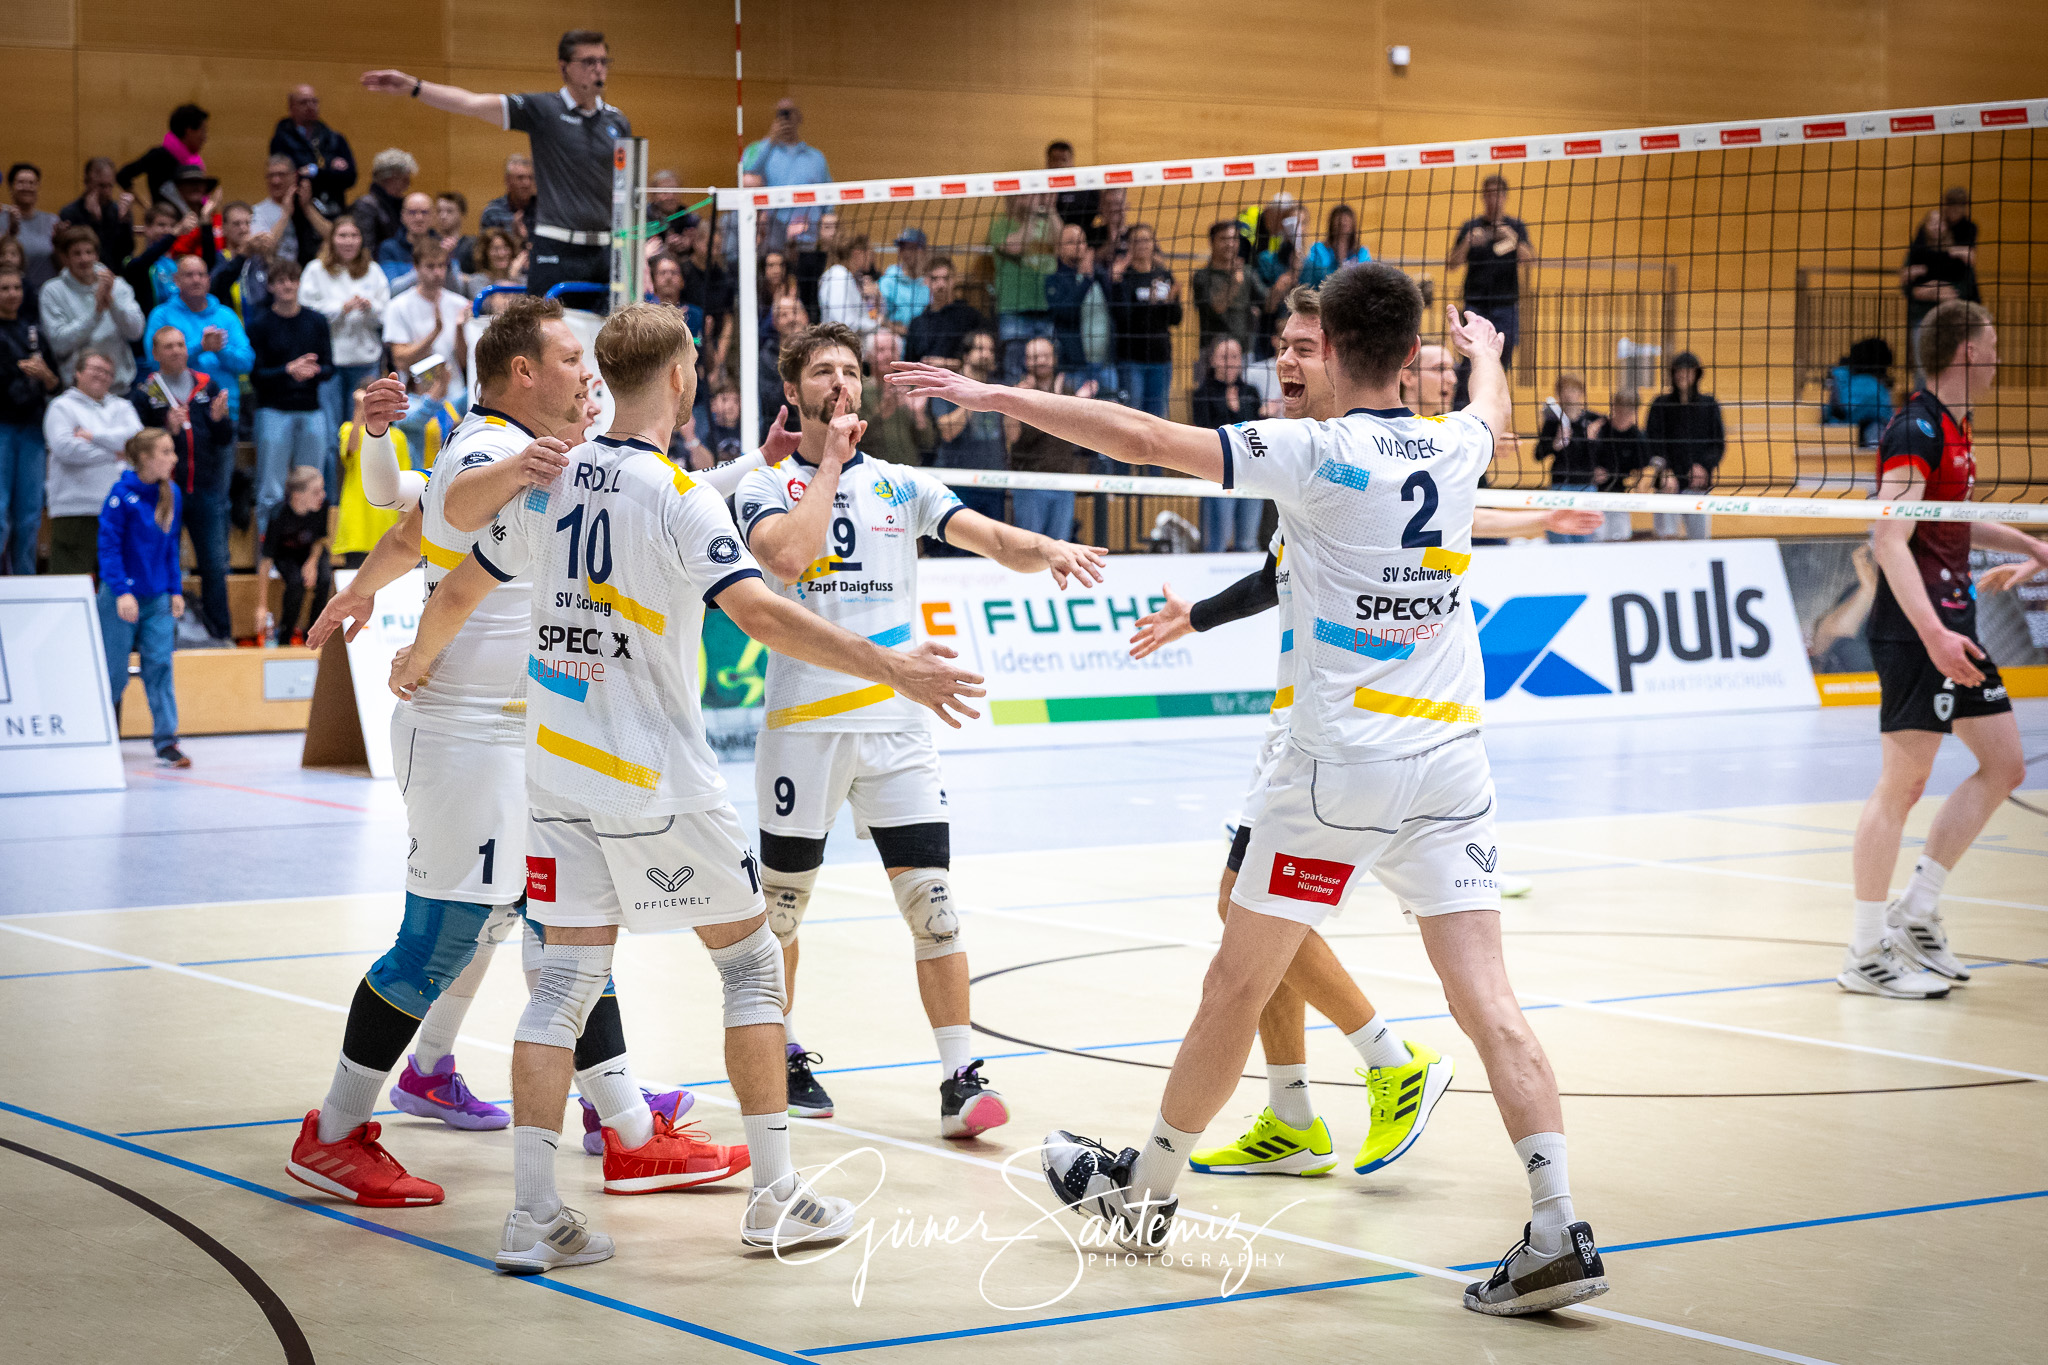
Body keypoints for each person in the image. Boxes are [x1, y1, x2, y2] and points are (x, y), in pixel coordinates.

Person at [891, 262, 1611, 1315]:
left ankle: (1145, 1192)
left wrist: (996, 394)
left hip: (1337, 770)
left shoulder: (1313, 450)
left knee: (1235, 981)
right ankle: (1556, 1225)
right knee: (1488, 1001)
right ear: (1411, 354)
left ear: (1339, 349)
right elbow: (1491, 412)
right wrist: (1489, 356)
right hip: (1452, 763)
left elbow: (1140, 438)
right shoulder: (1458, 443)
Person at [390, 303, 981, 1266]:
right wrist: (893, 666)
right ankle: (775, 1197)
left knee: (561, 986)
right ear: (679, 377)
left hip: (556, 773)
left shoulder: (549, 479)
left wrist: (418, 657)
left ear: (604, 379)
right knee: (752, 965)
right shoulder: (677, 496)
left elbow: (458, 584)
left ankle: (534, 1215)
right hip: (658, 778)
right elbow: (763, 615)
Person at [288, 307, 693, 1211]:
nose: (587, 373)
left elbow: (412, 533)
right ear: (522, 373)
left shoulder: (519, 445)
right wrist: (523, 469)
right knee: (436, 941)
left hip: (520, 738)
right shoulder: (492, 448)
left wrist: (360, 590)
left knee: (563, 925)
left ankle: (623, 1123)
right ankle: (334, 1134)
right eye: (569, 358)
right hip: (468, 739)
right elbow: (453, 506)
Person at [735, 319, 1100, 1134]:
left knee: (934, 906)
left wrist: (1047, 546)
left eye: (850, 369)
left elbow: (992, 539)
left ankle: (959, 1078)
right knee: (782, 911)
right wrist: (829, 463)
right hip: (804, 726)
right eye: (823, 371)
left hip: (897, 725)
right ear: (793, 391)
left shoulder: (902, 484)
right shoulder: (762, 485)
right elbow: (786, 559)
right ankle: (782, 1052)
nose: (841, 381)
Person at [1845, 299, 2048, 1000]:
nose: (1998, 358)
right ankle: (1864, 950)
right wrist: (1932, 633)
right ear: (1966, 351)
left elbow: (1951, 520)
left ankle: (1916, 911)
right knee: (1902, 784)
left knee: (2006, 764)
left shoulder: (1956, 430)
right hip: (1918, 631)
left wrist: (2029, 545)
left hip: (1954, 626)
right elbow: (1889, 538)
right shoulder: (1916, 428)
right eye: (1991, 345)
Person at [362, 30, 632, 301]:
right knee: (547, 326)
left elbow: (628, 192)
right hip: (556, 248)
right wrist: (415, 87)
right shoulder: (544, 109)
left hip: (605, 250)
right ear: (564, 68)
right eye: (588, 62)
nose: (598, 69)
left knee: (613, 327)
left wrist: (634, 253)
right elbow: (471, 103)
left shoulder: (617, 122)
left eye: (603, 61)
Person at [130, 327, 234, 640]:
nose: (176, 351)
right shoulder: (146, 392)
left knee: (214, 564)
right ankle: (163, 634)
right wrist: (167, 429)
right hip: (163, 493)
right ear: (155, 353)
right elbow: (138, 447)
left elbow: (224, 440)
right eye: (168, 346)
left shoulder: (207, 384)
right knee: (164, 561)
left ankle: (221, 634)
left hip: (205, 488)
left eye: (180, 345)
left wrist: (220, 421)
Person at [98, 428, 187, 765]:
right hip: (120, 597)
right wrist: (122, 591)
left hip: (157, 596)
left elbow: (171, 545)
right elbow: (108, 548)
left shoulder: (171, 493)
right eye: (166, 452)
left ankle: (167, 740)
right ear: (146, 458)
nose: (173, 458)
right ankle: (102, 735)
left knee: (160, 665)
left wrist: (175, 589)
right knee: (114, 671)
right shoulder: (120, 495)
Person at [249, 260, 337, 523]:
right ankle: (268, 548)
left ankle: (310, 546)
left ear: (299, 283)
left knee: (312, 484)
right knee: (271, 487)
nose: (287, 286)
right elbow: (255, 376)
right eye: (280, 281)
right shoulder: (260, 324)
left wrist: (313, 371)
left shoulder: (316, 321)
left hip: (311, 409)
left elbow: (329, 367)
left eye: (292, 280)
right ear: (271, 286)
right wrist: (288, 370)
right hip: (273, 410)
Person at [42, 351, 142, 575]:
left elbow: (136, 442)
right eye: (96, 369)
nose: (102, 376)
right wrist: (115, 452)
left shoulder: (123, 407)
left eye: (108, 372)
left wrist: (93, 436)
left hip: (118, 507)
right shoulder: (61, 407)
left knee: (117, 582)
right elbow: (66, 449)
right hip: (74, 510)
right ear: (77, 372)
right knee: (69, 582)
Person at [1445, 174, 1533, 398]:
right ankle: (1463, 407)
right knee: (1469, 360)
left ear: (1505, 197)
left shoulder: (1516, 226)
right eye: (1489, 194)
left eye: (1498, 194)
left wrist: (1513, 239)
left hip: (1506, 305)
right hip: (1475, 305)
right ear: (1483, 197)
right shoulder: (1471, 227)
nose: (1493, 199)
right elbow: (1451, 264)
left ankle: (1493, 404)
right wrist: (1467, 242)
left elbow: (1530, 260)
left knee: (1502, 360)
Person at [302, 218, 391, 435]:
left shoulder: (373, 270)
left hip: (365, 361)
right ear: (331, 239)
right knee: (331, 431)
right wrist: (341, 308)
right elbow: (307, 312)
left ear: (361, 240)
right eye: (342, 236)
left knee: (362, 428)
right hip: (329, 363)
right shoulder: (315, 270)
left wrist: (369, 308)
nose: (348, 241)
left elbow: (386, 313)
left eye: (354, 236)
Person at [145, 255, 253, 428]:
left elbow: (246, 363)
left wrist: (221, 350)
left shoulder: (226, 315)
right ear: (176, 280)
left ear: (208, 280)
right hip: (177, 412)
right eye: (189, 275)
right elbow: (154, 362)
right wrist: (200, 347)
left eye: (201, 275)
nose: (196, 280)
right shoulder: (162, 315)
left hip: (224, 410)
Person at [0, 267, 60, 572]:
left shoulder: (33, 332)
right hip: (2, 428)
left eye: (16, 288)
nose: (12, 294)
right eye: (4, 288)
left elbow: (56, 385)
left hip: (33, 429)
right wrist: (17, 371)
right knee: (0, 513)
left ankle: (25, 580)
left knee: (29, 514)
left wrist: (45, 375)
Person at [41, 225, 145, 386]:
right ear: (65, 258)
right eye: (77, 253)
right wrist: (95, 314)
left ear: (96, 255)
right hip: (78, 388)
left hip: (119, 386)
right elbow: (59, 344)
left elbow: (136, 332)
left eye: (89, 252)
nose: (84, 259)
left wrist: (112, 303)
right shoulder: (52, 291)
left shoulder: (117, 285)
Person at [926, 328, 1007, 532]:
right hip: (958, 481)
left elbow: (1011, 438)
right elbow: (947, 431)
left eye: (990, 350)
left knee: (992, 547)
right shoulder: (947, 386)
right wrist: (973, 399)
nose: (986, 354)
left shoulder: (998, 388)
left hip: (993, 481)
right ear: (966, 355)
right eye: (980, 349)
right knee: (958, 546)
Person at [1005, 335, 1082, 539]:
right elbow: (1013, 437)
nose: (1040, 361)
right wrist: (1012, 404)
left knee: (1060, 546)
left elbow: (1078, 432)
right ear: (1026, 361)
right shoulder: (1020, 392)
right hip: (1030, 482)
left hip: (1063, 480)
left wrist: (1077, 404)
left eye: (1045, 356)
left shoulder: (1067, 390)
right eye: (1034, 357)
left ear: (1054, 359)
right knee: (1030, 545)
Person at [1190, 336, 1263, 551]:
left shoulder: (1250, 392)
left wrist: (1237, 409)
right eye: (1224, 357)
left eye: (1235, 357)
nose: (1230, 362)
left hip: (1251, 473)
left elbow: (1255, 433)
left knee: (1247, 543)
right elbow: (1209, 433)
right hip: (1217, 472)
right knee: (1216, 543)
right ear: (1212, 360)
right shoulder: (1202, 393)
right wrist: (1231, 408)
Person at [1643, 351, 1723, 540]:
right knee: (1665, 542)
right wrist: (1665, 470)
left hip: (1697, 486)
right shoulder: (1660, 404)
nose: (1682, 375)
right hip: (1667, 486)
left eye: (1688, 371)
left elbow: (1718, 444)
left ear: (1696, 373)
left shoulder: (1709, 405)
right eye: (1679, 370)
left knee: (1700, 542)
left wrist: (1703, 466)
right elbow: (1652, 443)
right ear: (1673, 373)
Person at [1900, 206, 1980, 389]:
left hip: (1950, 319)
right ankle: (1922, 404)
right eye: (1932, 223)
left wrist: (1935, 291)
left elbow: (1963, 287)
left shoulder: (1956, 254)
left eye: (1940, 223)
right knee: (1923, 368)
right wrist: (1931, 291)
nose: (1936, 227)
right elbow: (1908, 288)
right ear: (1926, 226)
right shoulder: (1916, 252)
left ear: (1946, 227)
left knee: (1952, 367)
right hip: (1922, 317)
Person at [383, 239, 468, 405]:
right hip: (416, 399)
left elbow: (465, 363)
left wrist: (459, 330)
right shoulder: (398, 306)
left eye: (441, 266)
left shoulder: (460, 304)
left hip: (454, 395)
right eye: (430, 266)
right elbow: (400, 360)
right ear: (416, 267)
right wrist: (435, 332)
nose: (437, 272)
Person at [1108, 224, 1179, 420]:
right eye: (1136, 240)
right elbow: (1122, 317)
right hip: (1132, 359)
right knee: (1133, 417)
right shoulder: (1124, 276)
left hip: (1161, 357)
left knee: (1157, 418)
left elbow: (1176, 319)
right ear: (1129, 245)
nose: (1142, 245)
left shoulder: (1164, 276)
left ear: (1153, 243)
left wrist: (1170, 301)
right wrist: (1151, 303)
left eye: (1146, 239)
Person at [255, 466, 333, 645]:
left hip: (311, 551)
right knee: (296, 583)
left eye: (322, 489)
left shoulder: (322, 506)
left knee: (325, 578)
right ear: (297, 496)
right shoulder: (278, 515)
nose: (322, 495)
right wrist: (262, 606)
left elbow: (320, 539)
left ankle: (314, 633)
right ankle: (285, 636)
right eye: (316, 492)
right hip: (286, 555)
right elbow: (266, 561)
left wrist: (312, 562)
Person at [989, 193, 1060, 381]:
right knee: (1015, 373)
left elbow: (1063, 243)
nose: (1031, 200)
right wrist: (1033, 214)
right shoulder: (1001, 225)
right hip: (1014, 310)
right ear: (1011, 199)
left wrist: (1051, 209)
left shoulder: (1046, 224)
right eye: (1024, 196)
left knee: (1047, 374)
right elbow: (1016, 246)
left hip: (1045, 308)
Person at [743, 97, 832, 248]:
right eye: (781, 114)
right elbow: (747, 176)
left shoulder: (816, 158)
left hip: (808, 238)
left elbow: (829, 199)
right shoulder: (760, 150)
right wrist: (771, 139)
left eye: (789, 113)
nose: (786, 119)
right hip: (772, 238)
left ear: (799, 117)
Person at [1045, 223, 1114, 399]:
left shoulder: (1100, 275)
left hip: (1106, 364)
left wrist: (1116, 280)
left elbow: (1118, 312)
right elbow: (1065, 313)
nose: (1078, 246)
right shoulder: (1054, 280)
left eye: (1082, 242)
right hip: (1075, 367)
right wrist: (1085, 279)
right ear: (1059, 248)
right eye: (1071, 242)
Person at [271, 84, 358, 221]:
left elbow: (350, 177)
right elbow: (290, 178)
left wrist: (315, 171)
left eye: (314, 101)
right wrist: (331, 171)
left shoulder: (334, 138)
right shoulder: (281, 140)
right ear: (291, 107)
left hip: (333, 209)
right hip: (297, 213)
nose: (310, 106)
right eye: (303, 102)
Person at [1534, 374, 1602, 544]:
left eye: (1573, 389)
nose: (1568, 394)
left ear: (1581, 392)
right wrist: (1555, 444)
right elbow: (1538, 454)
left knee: (1584, 536)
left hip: (1586, 485)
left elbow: (1605, 456)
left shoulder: (1593, 420)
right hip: (1561, 484)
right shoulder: (1553, 422)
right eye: (1564, 390)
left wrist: (1593, 441)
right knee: (1558, 534)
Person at [1192, 221, 1259, 385]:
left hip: (1244, 351)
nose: (1230, 244)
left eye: (1234, 239)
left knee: (1242, 397)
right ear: (1212, 242)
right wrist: (1234, 283)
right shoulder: (1202, 276)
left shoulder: (1248, 273)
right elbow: (1217, 308)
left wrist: (1289, 276)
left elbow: (1269, 304)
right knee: (1210, 398)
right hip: (1211, 352)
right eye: (1224, 239)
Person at [858, 330, 930, 467]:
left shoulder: (911, 389)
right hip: (869, 469)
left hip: (908, 469)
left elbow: (929, 443)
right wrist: (883, 412)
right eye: (881, 350)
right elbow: (857, 439)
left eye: (892, 350)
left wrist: (919, 415)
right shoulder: (859, 390)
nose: (888, 355)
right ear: (868, 355)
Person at [117, 104, 211, 208]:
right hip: (164, 217)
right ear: (189, 131)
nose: (205, 137)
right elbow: (123, 176)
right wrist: (146, 207)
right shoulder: (159, 156)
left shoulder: (194, 162)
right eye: (203, 131)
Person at [904, 257, 985, 368]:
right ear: (926, 281)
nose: (941, 284)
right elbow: (909, 362)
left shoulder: (971, 317)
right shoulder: (917, 323)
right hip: (924, 376)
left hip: (960, 376)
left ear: (954, 280)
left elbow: (982, 359)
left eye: (946, 278)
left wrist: (946, 364)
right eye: (934, 279)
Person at [58, 158, 136, 272]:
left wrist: (125, 222)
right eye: (101, 186)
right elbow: (78, 253)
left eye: (110, 186)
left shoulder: (117, 211)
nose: (107, 192)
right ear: (87, 183)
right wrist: (94, 221)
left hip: (114, 275)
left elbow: (125, 253)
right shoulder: (70, 212)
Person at [1593, 390, 1645, 541]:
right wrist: (1592, 471)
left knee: (1621, 537)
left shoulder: (1638, 437)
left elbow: (1641, 470)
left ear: (1635, 411)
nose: (1623, 414)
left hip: (1619, 495)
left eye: (1628, 410)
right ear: (1614, 407)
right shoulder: (1599, 429)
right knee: (1596, 537)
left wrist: (1638, 481)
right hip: (1594, 493)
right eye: (1620, 408)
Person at [4, 164, 63, 295]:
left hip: (46, 292)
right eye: (21, 182)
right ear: (11, 187)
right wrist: (11, 232)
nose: (27, 187)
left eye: (32, 183)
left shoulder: (52, 221)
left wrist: (60, 243)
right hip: (12, 293)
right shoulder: (2, 219)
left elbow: (62, 263)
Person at [351, 149, 417, 258]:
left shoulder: (399, 204)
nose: (408, 185)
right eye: (405, 180)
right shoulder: (366, 205)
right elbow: (366, 248)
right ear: (390, 178)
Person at [816, 234, 880, 335]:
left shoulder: (852, 277)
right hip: (839, 341)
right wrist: (876, 324)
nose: (872, 259)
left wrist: (877, 298)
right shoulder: (838, 275)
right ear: (857, 253)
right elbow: (844, 322)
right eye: (870, 253)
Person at [1300, 204, 1369, 288]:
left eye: (1346, 221)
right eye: (1339, 222)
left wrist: (1343, 260)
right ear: (1332, 224)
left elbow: (1365, 280)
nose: (1342, 222)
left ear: (1352, 225)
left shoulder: (1361, 252)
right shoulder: (1318, 249)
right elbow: (1311, 278)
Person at [376, 193, 436, 287]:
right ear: (403, 216)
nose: (419, 218)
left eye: (424, 212)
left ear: (433, 216)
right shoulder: (389, 248)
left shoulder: (442, 246)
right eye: (412, 212)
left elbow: (456, 288)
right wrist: (424, 269)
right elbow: (392, 288)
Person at [876, 228, 929, 330]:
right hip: (894, 336)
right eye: (902, 248)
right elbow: (878, 318)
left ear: (922, 251)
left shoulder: (930, 283)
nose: (906, 253)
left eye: (911, 248)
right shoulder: (888, 281)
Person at [480, 154, 538, 246]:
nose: (527, 183)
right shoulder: (493, 213)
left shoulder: (544, 210)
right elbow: (486, 250)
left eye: (531, 178)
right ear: (508, 181)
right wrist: (514, 236)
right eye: (520, 178)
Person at [1047, 139, 1098, 236]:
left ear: (1071, 162)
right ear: (1048, 162)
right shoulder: (1042, 190)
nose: (1059, 165)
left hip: (1083, 236)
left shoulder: (1086, 189)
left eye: (1063, 160)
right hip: (1051, 236)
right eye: (1054, 160)